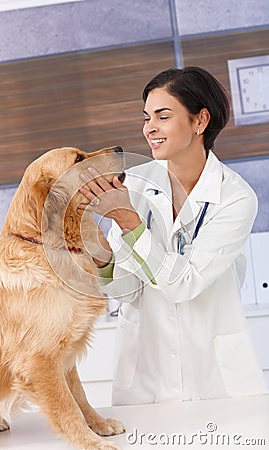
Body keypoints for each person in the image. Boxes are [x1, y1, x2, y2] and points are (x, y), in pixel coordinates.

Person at [78, 67, 268, 406]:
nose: (149, 128)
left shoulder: (235, 197)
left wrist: (127, 219)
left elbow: (184, 283)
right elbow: (126, 289)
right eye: (147, 117)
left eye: (163, 116)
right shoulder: (134, 184)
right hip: (145, 375)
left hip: (214, 378)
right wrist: (100, 252)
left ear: (200, 121)